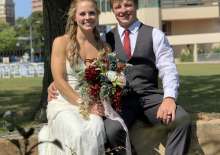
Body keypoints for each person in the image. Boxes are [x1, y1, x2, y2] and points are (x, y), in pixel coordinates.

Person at [48, 0, 192, 155]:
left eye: (128, 5)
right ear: (113, 11)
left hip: (150, 97)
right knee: (112, 130)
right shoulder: (104, 40)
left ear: (136, 6)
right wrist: (56, 82)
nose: (123, 10)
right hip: (120, 101)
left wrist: (169, 97)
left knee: (181, 120)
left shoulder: (155, 34)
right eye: (118, 7)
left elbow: (168, 68)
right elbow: (85, 69)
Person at [38, 0, 131, 155]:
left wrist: (115, 79)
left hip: (94, 105)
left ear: (97, 15)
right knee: (78, 134)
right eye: (82, 13)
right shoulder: (61, 42)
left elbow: (114, 78)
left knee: (95, 128)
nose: (87, 17)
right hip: (64, 103)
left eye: (92, 13)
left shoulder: (104, 48)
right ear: (74, 17)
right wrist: (85, 104)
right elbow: (59, 80)